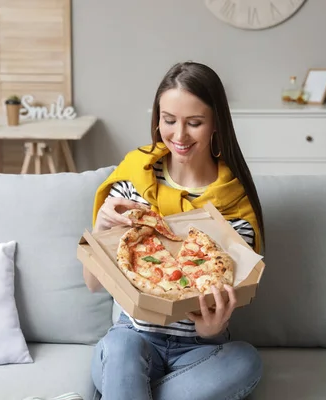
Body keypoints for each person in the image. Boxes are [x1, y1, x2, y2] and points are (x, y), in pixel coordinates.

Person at [85, 61, 265, 400]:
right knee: (119, 346)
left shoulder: (233, 206)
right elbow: (93, 283)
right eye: (169, 121)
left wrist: (211, 329)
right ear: (157, 119)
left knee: (246, 361)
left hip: (199, 350)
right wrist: (100, 229)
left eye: (194, 123)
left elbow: (221, 304)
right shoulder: (134, 179)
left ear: (215, 125)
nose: (179, 136)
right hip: (132, 342)